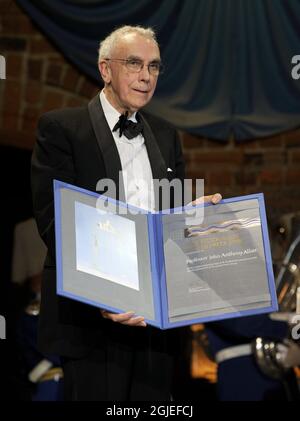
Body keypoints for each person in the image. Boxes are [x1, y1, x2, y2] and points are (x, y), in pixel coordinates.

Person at [31, 25, 221, 401]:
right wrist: (105, 296)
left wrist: (189, 217)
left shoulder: (167, 136)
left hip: (156, 324)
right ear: (105, 70)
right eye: (133, 63)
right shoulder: (63, 128)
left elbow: (166, 225)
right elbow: (57, 223)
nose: (145, 76)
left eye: (153, 66)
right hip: (92, 322)